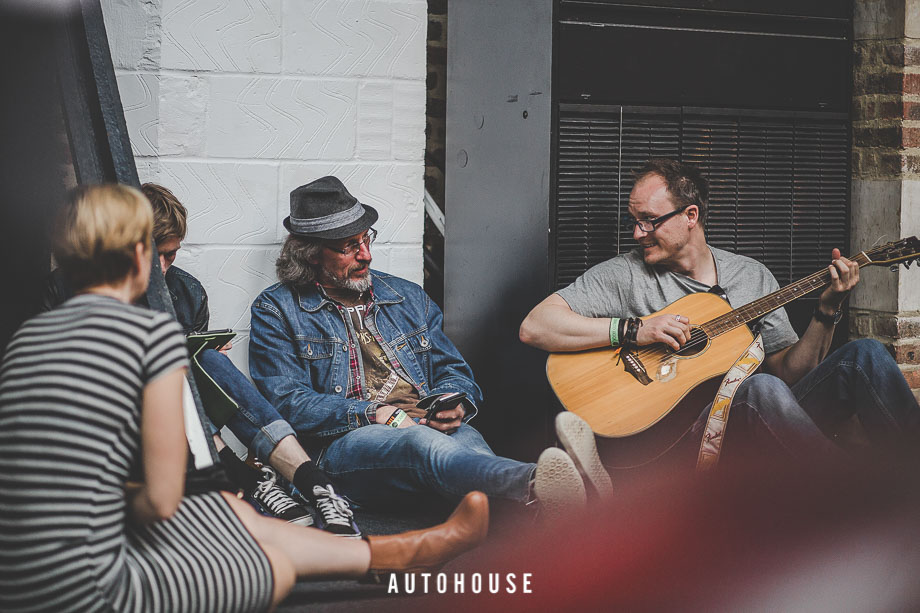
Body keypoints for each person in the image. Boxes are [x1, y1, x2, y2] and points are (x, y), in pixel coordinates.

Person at [0, 184, 489, 612]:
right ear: (137, 252)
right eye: (160, 254)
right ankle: (369, 540)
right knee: (271, 562)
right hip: (93, 586)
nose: (166, 268)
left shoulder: (27, 338)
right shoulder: (151, 334)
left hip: (26, 568)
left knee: (232, 513)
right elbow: (164, 501)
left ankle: (395, 551)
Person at [248, 176, 613, 522]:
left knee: (469, 451)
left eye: (366, 239)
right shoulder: (277, 309)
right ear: (311, 254)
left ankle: (556, 511)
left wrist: (453, 402)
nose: (366, 255)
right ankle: (538, 481)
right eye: (349, 247)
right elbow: (288, 402)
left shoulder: (405, 297)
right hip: (343, 445)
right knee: (423, 445)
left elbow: (452, 369)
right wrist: (376, 413)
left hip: (424, 423)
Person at [520, 158, 920, 468]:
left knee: (865, 354)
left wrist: (828, 309)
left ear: (690, 216)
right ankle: (854, 501)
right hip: (681, 439)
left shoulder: (751, 275)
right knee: (760, 389)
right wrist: (635, 330)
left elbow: (789, 373)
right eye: (634, 221)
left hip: (761, 423)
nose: (638, 233)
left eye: (649, 221)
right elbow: (535, 326)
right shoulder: (626, 274)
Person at [141, 183, 360, 536]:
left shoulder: (186, 291)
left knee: (209, 361)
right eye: (157, 256)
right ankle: (248, 480)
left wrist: (197, 355)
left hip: (184, 417)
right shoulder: (76, 291)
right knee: (171, 373)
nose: (164, 268)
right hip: (132, 420)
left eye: (172, 255)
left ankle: (317, 486)